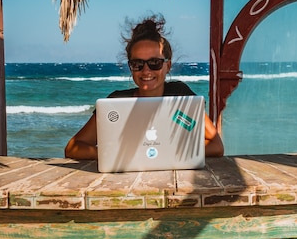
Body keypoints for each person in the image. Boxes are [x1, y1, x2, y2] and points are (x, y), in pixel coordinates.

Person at [65, 15, 225, 160]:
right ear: (130, 67)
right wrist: (116, 154)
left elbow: (216, 145)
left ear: (167, 66)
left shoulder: (181, 96)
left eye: (155, 63)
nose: (146, 70)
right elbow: (73, 148)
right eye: (138, 64)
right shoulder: (116, 102)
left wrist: (167, 152)